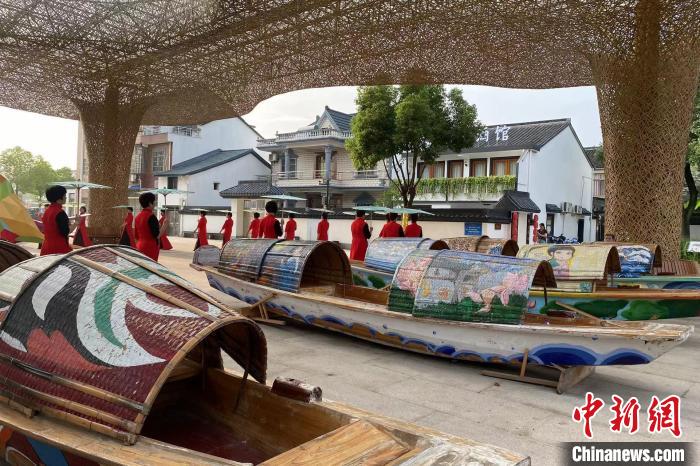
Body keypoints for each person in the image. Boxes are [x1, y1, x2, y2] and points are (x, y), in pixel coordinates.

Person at [40, 186, 72, 256]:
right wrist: (76, 223)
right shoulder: (60, 212)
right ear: (59, 199)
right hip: (58, 249)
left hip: (46, 247)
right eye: (64, 195)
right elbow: (65, 232)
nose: (66, 197)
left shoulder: (47, 211)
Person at [134, 192, 162, 261]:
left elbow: (136, 236)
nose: (155, 204)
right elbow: (157, 235)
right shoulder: (151, 216)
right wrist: (165, 225)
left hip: (139, 246)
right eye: (154, 202)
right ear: (150, 203)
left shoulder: (137, 216)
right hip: (150, 247)